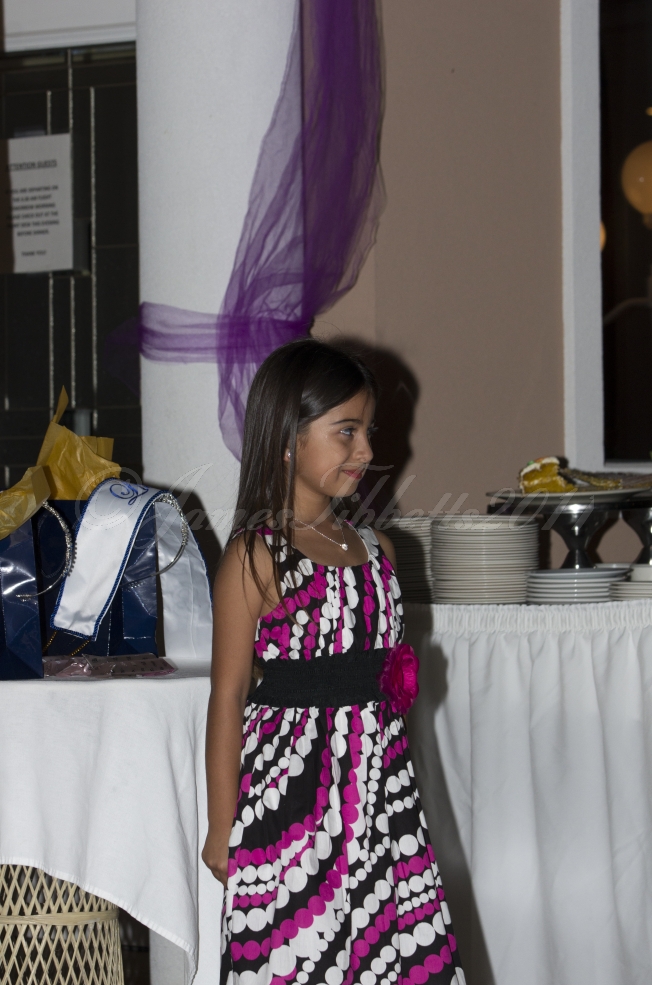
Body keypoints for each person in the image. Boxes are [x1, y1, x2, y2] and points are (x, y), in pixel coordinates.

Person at [203, 339, 464, 985]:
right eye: (346, 431)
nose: (367, 450)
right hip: (291, 801)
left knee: (393, 946)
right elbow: (227, 695)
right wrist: (220, 823)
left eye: (368, 430)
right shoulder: (255, 555)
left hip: (379, 792)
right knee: (298, 949)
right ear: (286, 438)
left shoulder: (379, 551)